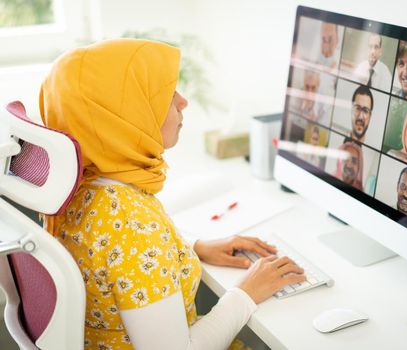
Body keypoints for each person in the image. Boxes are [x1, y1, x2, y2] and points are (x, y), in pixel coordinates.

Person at [39, 39, 305, 350]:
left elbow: (114, 260)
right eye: (168, 95)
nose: (183, 102)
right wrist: (247, 292)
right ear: (125, 114)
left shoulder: (83, 180)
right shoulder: (131, 225)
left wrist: (189, 248)